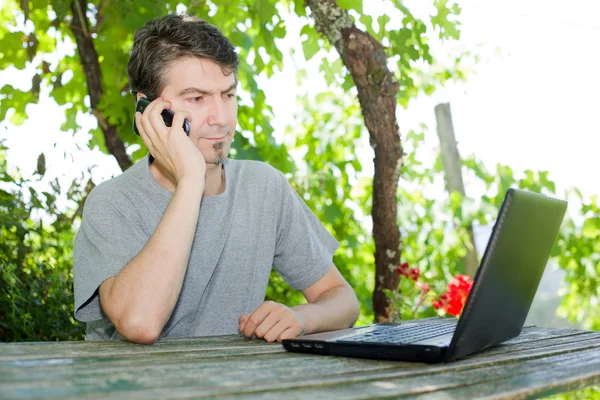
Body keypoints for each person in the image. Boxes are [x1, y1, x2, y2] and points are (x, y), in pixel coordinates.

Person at [73, 14, 360, 344]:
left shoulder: (264, 188)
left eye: (228, 95)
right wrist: (190, 180)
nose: (222, 119)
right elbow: (140, 322)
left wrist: (303, 317)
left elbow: (342, 299)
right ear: (147, 108)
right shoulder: (112, 203)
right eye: (196, 99)